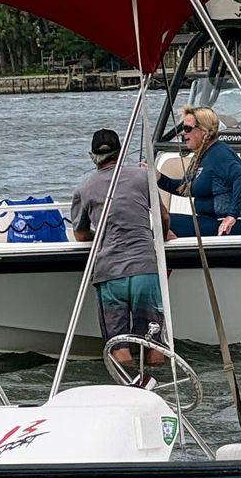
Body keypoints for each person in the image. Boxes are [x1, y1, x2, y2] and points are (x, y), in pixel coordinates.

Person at [69, 127, 170, 376]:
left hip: (110, 273)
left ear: (92, 156)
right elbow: (163, 217)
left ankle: (128, 384)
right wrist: (160, 237)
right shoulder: (142, 177)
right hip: (145, 269)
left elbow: (80, 235)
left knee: (118, 344)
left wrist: (101, 236)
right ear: (121, 152)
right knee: (153, 342)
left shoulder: (84, 188)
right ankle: (159, 387)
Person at [157, 105, 241, 237]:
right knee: (160, 219)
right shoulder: (202, 156)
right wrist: (157, 177)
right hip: (208, 221)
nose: (183, 133)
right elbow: (184, 188)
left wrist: (232, 216)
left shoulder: (219, 153)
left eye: (187, 128)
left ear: (203, 130)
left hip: (228, 226)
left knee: (162, 221)